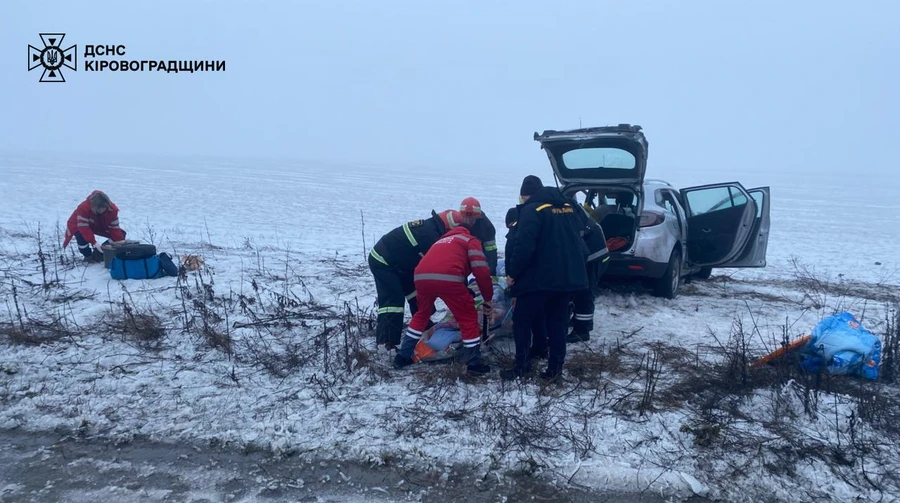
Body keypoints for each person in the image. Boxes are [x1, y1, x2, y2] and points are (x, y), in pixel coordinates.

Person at [502, 176, 589, 380]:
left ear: (526, 195)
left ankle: (521, 367)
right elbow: (581, 235)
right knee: (558, 324)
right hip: (566, 278)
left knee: (522, 321)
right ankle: (554, 370)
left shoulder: (532, 210)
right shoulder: (569, 207)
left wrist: (513, 274)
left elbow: (523, 247)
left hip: (539, 279)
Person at [393, 219, 493, 374]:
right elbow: (482, 271)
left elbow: (448, 263)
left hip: (421, 277)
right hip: (448, 279)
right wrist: (487, 297)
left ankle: (402, 356)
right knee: (467, 318)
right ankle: (473, 363)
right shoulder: (470, 240)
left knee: (422, 314)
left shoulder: (443, 240)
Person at [369, 208, 461, 349]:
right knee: (393, 300)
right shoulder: (431, 236)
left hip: (401, 264)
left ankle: (424, 323)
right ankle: (386, 341)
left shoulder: (431, 228)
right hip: (383, 261)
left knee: (415, 293)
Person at [567, 203, 610, 343]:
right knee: (576, 290)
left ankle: (582, 331)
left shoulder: (565, 212)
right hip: (586, 253)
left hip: (594, 255)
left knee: (584, 292)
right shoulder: (562, 207)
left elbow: (574, 241)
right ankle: (574, 320)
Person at [63, 190, 126, 263]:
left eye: (103, 208)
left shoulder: (112, 210)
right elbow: (84, 228)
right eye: (99, 208)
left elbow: (114, 228)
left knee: (120, 235)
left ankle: (102, 252)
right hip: (80, 225)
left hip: (99, 224)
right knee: (81, 236)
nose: (101, 210)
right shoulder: (83, 208)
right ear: (93, 206)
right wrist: (94, 242)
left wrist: (119, 241)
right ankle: (88, 256)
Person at [459, 197, 499, 277]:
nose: (468, 222)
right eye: (466, 219)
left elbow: (491, 253)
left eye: (471, 219)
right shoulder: (455, 222)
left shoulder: (487, 228)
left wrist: (490, 275)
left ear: (478, 217)